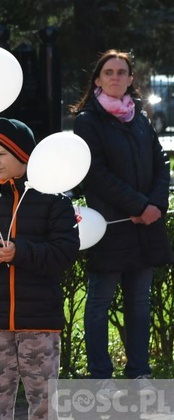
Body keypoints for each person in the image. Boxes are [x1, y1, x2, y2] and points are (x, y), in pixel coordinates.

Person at [0, 118, 79, 420]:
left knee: (44, 405)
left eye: (1, 154)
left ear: (22, 156)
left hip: (40, 323)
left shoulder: (54, 200)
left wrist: (20, 251)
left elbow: (64, 252)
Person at [71, 50, 170, 396]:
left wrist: (155, 205)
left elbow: (161, 165)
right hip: (111, 227)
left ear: (130, 79)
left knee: (139, 304)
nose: (115, 77)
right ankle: (101, 379)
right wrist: (139, 205)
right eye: (108, 72)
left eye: (122, 72)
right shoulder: (87, 121)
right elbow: (95, 175)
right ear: (97, 79)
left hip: (145, 227)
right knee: (99, 304)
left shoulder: (140, 118)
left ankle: (140, 373)